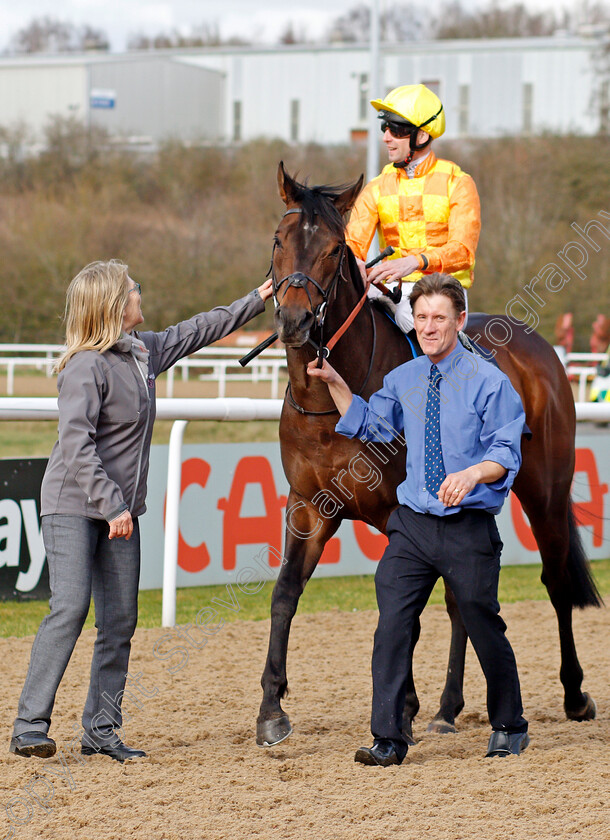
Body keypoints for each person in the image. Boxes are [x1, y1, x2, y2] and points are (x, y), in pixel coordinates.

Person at [10, 259, 272, 763]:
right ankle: (29, 726)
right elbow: (77, 447)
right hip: (72, 506)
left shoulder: (142, 351)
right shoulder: (85, 365)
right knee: (70, 608)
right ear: (112, 304)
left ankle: (101, 730)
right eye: (132, 289)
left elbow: (199, 330)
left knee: (121, 621)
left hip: (120, 513)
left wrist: (257, 298)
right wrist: (113, 506)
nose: (139, 292)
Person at [307, 273, 529, 766]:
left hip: (466, 527)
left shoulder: (489, 381)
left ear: (460, 321)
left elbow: (506, 452)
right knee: (392, 626)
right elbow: (369, 422)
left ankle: (510, 724)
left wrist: (472, 474)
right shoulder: (404, 377)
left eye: (439, 318)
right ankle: (389, 737)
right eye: (422, 317)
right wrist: (337, 383)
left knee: (481, 622)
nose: (429, 327)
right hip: (411, 524)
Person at [346, 84, 481, 334]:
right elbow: (352, 246)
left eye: (396, 130)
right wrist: (353, 266)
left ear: (421, 136)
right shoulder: (376, 187)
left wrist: (415, 262)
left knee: (418, 321)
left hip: (442, 289)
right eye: (384, 128)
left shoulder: (458, 183)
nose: (386, 137)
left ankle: (461, 369)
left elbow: (463, 252)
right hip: (391, 287)